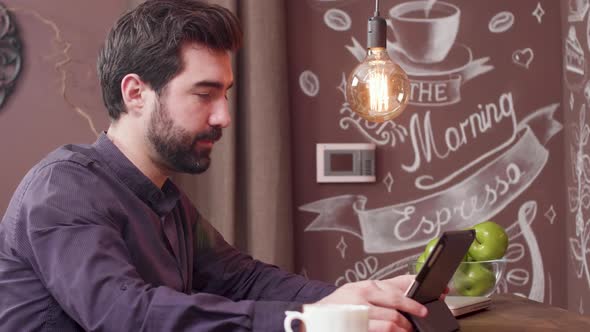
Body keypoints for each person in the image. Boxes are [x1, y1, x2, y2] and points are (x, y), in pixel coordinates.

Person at [0, 0, 434, 331]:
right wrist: (303, 321)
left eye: (224, 94)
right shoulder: (63, 190)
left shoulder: (166, 200)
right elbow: (127, 315)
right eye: (204, 93)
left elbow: (243, 280)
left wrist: (357, 300)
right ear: (135, 93)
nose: (223, 116)